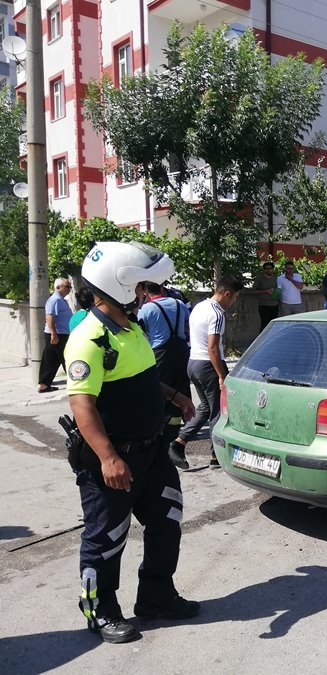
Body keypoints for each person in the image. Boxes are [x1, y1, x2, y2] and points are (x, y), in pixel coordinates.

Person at [64, 241, 198, 644]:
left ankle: (156, 596)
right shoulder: (89, 338)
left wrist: (173, 396)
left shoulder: (131, 326)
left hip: (152, 453)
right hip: (113, 462)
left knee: (166, 523)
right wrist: (107, 457)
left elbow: (140, 376)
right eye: (140, 286)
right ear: (119, 285)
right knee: (106, 540)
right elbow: (82, 403)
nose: (144, 293)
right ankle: (100, 611)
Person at [170, 276, 243, 468]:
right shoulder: (217, 314)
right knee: (218, 412)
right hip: (208, 365)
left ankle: (178, 443)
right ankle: (216, 456)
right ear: (227, 294)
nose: (235, 302)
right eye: (235, 297)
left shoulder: (199, 306)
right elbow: (213, 348)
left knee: (205, 408)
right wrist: (221, 375)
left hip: (193, 362)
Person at [137, 281, 192, 469]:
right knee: (180, 389)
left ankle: (159, 429)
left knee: (161, 390)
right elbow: (186, 326)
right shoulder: (179, 303)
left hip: (160, 353)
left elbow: (142, 335)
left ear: (145, 292)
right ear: (162, 288)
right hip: (182, 351)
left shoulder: (146, 309)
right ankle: (175, 429)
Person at [38, 278, 74, 393]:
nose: (69, 289)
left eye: (70, 287)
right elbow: (50, 317)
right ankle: (74, 381)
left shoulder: (60, 300)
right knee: (64, 358)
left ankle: (44, 384)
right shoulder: (55, 300)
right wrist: (54, 334)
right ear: (58, 287)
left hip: (60, 333)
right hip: (58, 334)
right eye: (67, 287)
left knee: (52, 359)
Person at [252, 261, 280, 330]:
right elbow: (253, 291)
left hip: (274, 305)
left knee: (274, 325)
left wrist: (275, 292)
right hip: (264, 305)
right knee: (264, 325)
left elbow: (279, 289)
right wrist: (266, 291)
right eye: (267, 268)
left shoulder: (276, 278)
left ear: (273, 269)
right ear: (264, 270)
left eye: (270, 268)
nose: (269, 270)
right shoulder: (259, 279)